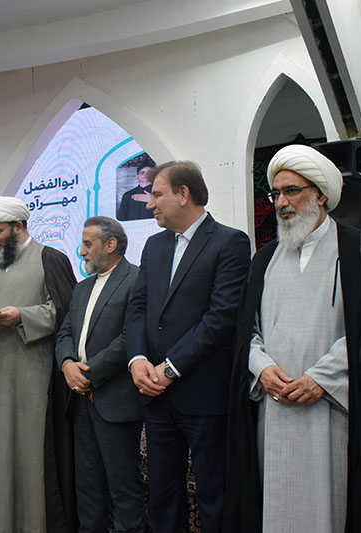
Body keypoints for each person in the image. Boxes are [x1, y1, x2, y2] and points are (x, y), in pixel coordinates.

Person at [223, 144, 361, 532]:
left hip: (335, 410)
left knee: (330, 508)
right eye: (276, 193)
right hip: (273, 410)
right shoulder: (264, 259)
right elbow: (246, 330)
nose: (281, 203)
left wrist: (321, 378)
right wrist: (262, 369)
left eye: (292, 191)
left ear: (321, 195)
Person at [125, 161, 251, 532]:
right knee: (163, 498)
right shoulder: (154, 245)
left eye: (157, 194)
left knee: (214, 496)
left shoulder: (229, 242)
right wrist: (137, 359)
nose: (150, 203)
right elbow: (138, 307)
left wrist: (170, 368)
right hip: (156, 396)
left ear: (183, 194)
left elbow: (221, 318)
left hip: (205, 396)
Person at [0, 196, 77, 533]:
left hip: (32, 377)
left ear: (18, 227)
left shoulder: (49, 258)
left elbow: (64, 313)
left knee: (29, 455)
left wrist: (21, 315)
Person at [55, 216, 146, 533]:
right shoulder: (81, 288)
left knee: (124, 488)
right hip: (80, 401)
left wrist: (89, 373)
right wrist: (67, 364)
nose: (81, 251)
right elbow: (65, 332)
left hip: (115, 400)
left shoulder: (137, 279)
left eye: (87, 244)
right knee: (88, 486)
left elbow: (131, 337)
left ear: (111, 244)